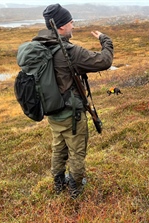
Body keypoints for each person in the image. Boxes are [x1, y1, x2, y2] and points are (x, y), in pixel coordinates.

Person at [32, 3, 114, 199]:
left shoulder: (42, 46)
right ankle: (75, 188)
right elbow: (105, 61)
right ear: (61, 26)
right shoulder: (69, 51)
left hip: (53, 111)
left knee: (58, 147)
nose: (73, 26)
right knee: (77, 152)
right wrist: (105, 39)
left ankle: (58, 183)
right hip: (72, 113)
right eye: (71, 22)